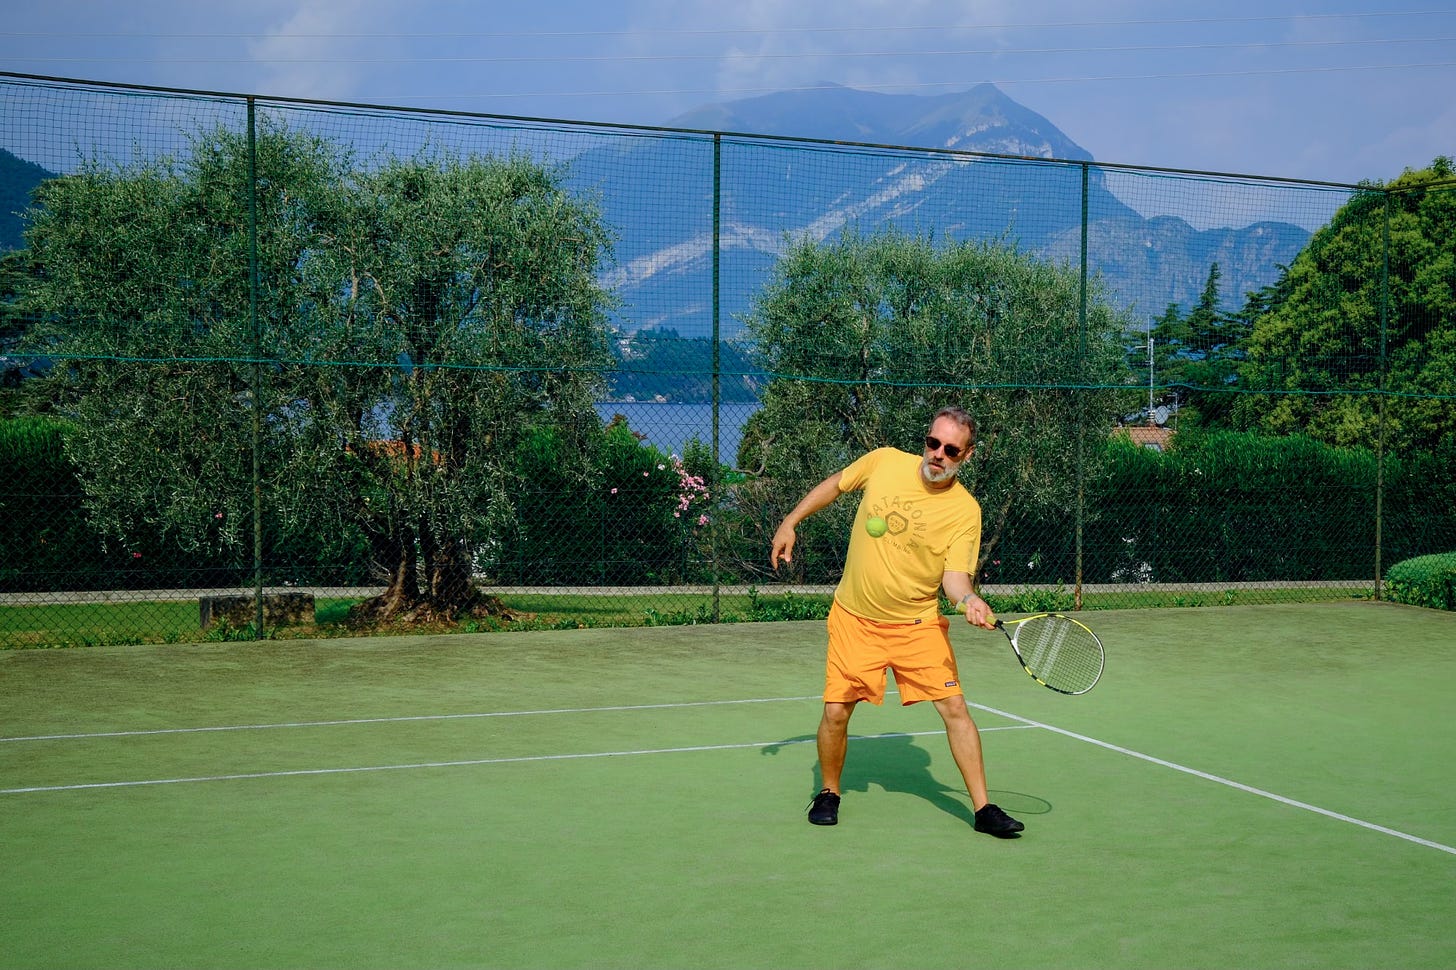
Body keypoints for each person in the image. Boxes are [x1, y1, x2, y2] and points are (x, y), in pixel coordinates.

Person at [770, 405, 1024, 838]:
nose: (938, 454)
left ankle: (983, 809)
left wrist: (969, 600)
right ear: (925, 440)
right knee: (835, 712)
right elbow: (835, 485)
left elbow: (955, 579)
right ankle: (829, 792)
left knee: (956, 709)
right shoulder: (885, 461)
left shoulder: (966, 511)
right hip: (855, 620)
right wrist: (791, 520)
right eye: (932, 443)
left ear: (967, 455)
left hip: (916, 626)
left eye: (950, 449)